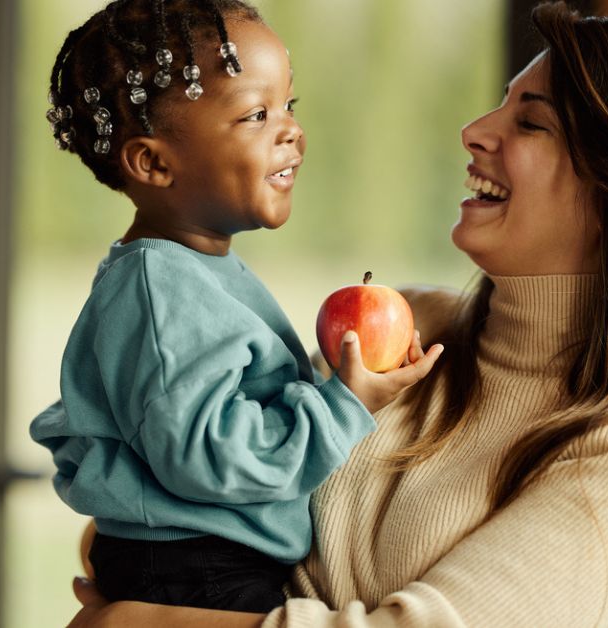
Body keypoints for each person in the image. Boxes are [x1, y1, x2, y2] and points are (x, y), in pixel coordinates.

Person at [67, 2, 608, 626]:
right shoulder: (408, 328)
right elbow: (199, 488)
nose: (474, 129)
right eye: (502, 102)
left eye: (530, 123)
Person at [29, 0, 443, 615]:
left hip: (202, 560)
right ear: (153, 163)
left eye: (289, 107)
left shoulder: (194, 271)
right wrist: (344, 404)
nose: (292, 130)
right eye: (256, 114)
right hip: (195, 571)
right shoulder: (158, 288)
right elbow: (206, 456)